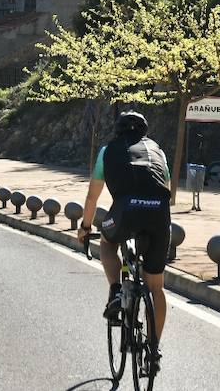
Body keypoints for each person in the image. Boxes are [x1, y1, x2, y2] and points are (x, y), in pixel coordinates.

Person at [78, 111, 171, 359]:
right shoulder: (157, 151)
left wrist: (86, 227)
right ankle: (153, 350)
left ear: (117, 130)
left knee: (107, 244)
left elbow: (92, 197)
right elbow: (167, 188)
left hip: (125, 210)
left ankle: (118, 291)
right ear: (145, 131)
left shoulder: (107, 151)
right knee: (156, 287)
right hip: (159, 212)